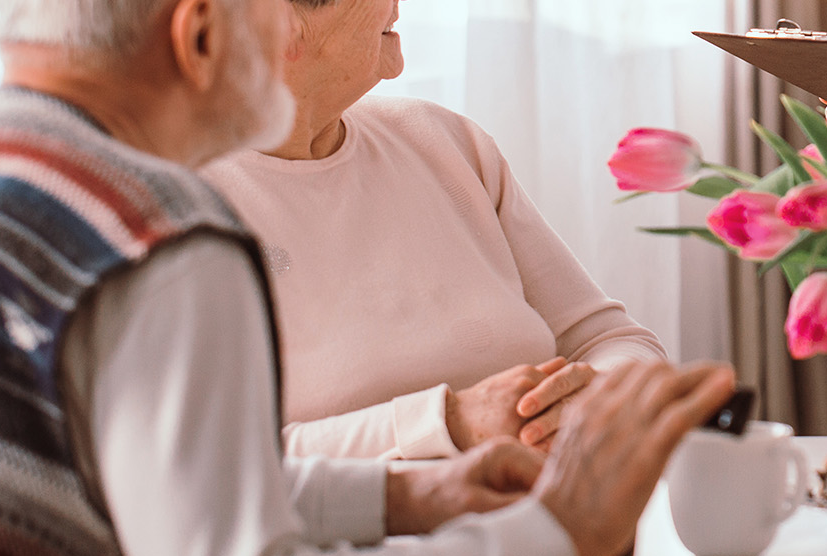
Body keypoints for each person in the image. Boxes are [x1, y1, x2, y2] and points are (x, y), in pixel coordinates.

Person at [0, 0, 731, 556]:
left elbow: (160, 487)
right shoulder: (159, 232)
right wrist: (562, 537)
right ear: (203, 35)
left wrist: (403, 499)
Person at [199, 0, 667, 460]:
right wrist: (446, 424)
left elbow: (614, 340)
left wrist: (586, 401)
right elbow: (210, 469)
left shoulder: (442, 141)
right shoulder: (183, 213)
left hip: (550, 521)